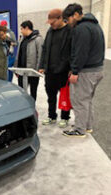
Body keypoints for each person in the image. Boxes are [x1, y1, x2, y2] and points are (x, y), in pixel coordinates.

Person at [62, 3, 105, 138]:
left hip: (86, 71)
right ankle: (87, 126)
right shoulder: (94, 25)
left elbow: (81, 53)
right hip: (97, 69)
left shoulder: (81, 29)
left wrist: (75, 71)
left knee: (79, 100)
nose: (67, 23)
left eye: (67, 19)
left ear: (75, 15)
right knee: (87, 100)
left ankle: (79, 129)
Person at [39, 9, 72, 128]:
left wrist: (72, 68)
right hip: (50, 71)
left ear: (60, 18)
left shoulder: (69, 30)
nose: (51, 25)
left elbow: (73, 51)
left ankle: (65, 117)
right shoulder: (50, 31)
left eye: (53, 22)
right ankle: (52, 116)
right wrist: (42, 65)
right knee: (50, 96)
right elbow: (45, 49)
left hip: (64, 70)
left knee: (64, 95)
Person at [14, 20, 43, 101]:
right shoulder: (22, 39)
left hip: (32, 71)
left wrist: (38, 70)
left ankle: (32, 106)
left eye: (21, 29)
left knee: (33, 91)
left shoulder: (38, 39)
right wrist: (16, 68)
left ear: (26, 28)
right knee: (22, 90)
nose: (21, 31)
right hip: (22, 71)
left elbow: (40, 55)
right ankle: (24, 105)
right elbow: (18, 54)